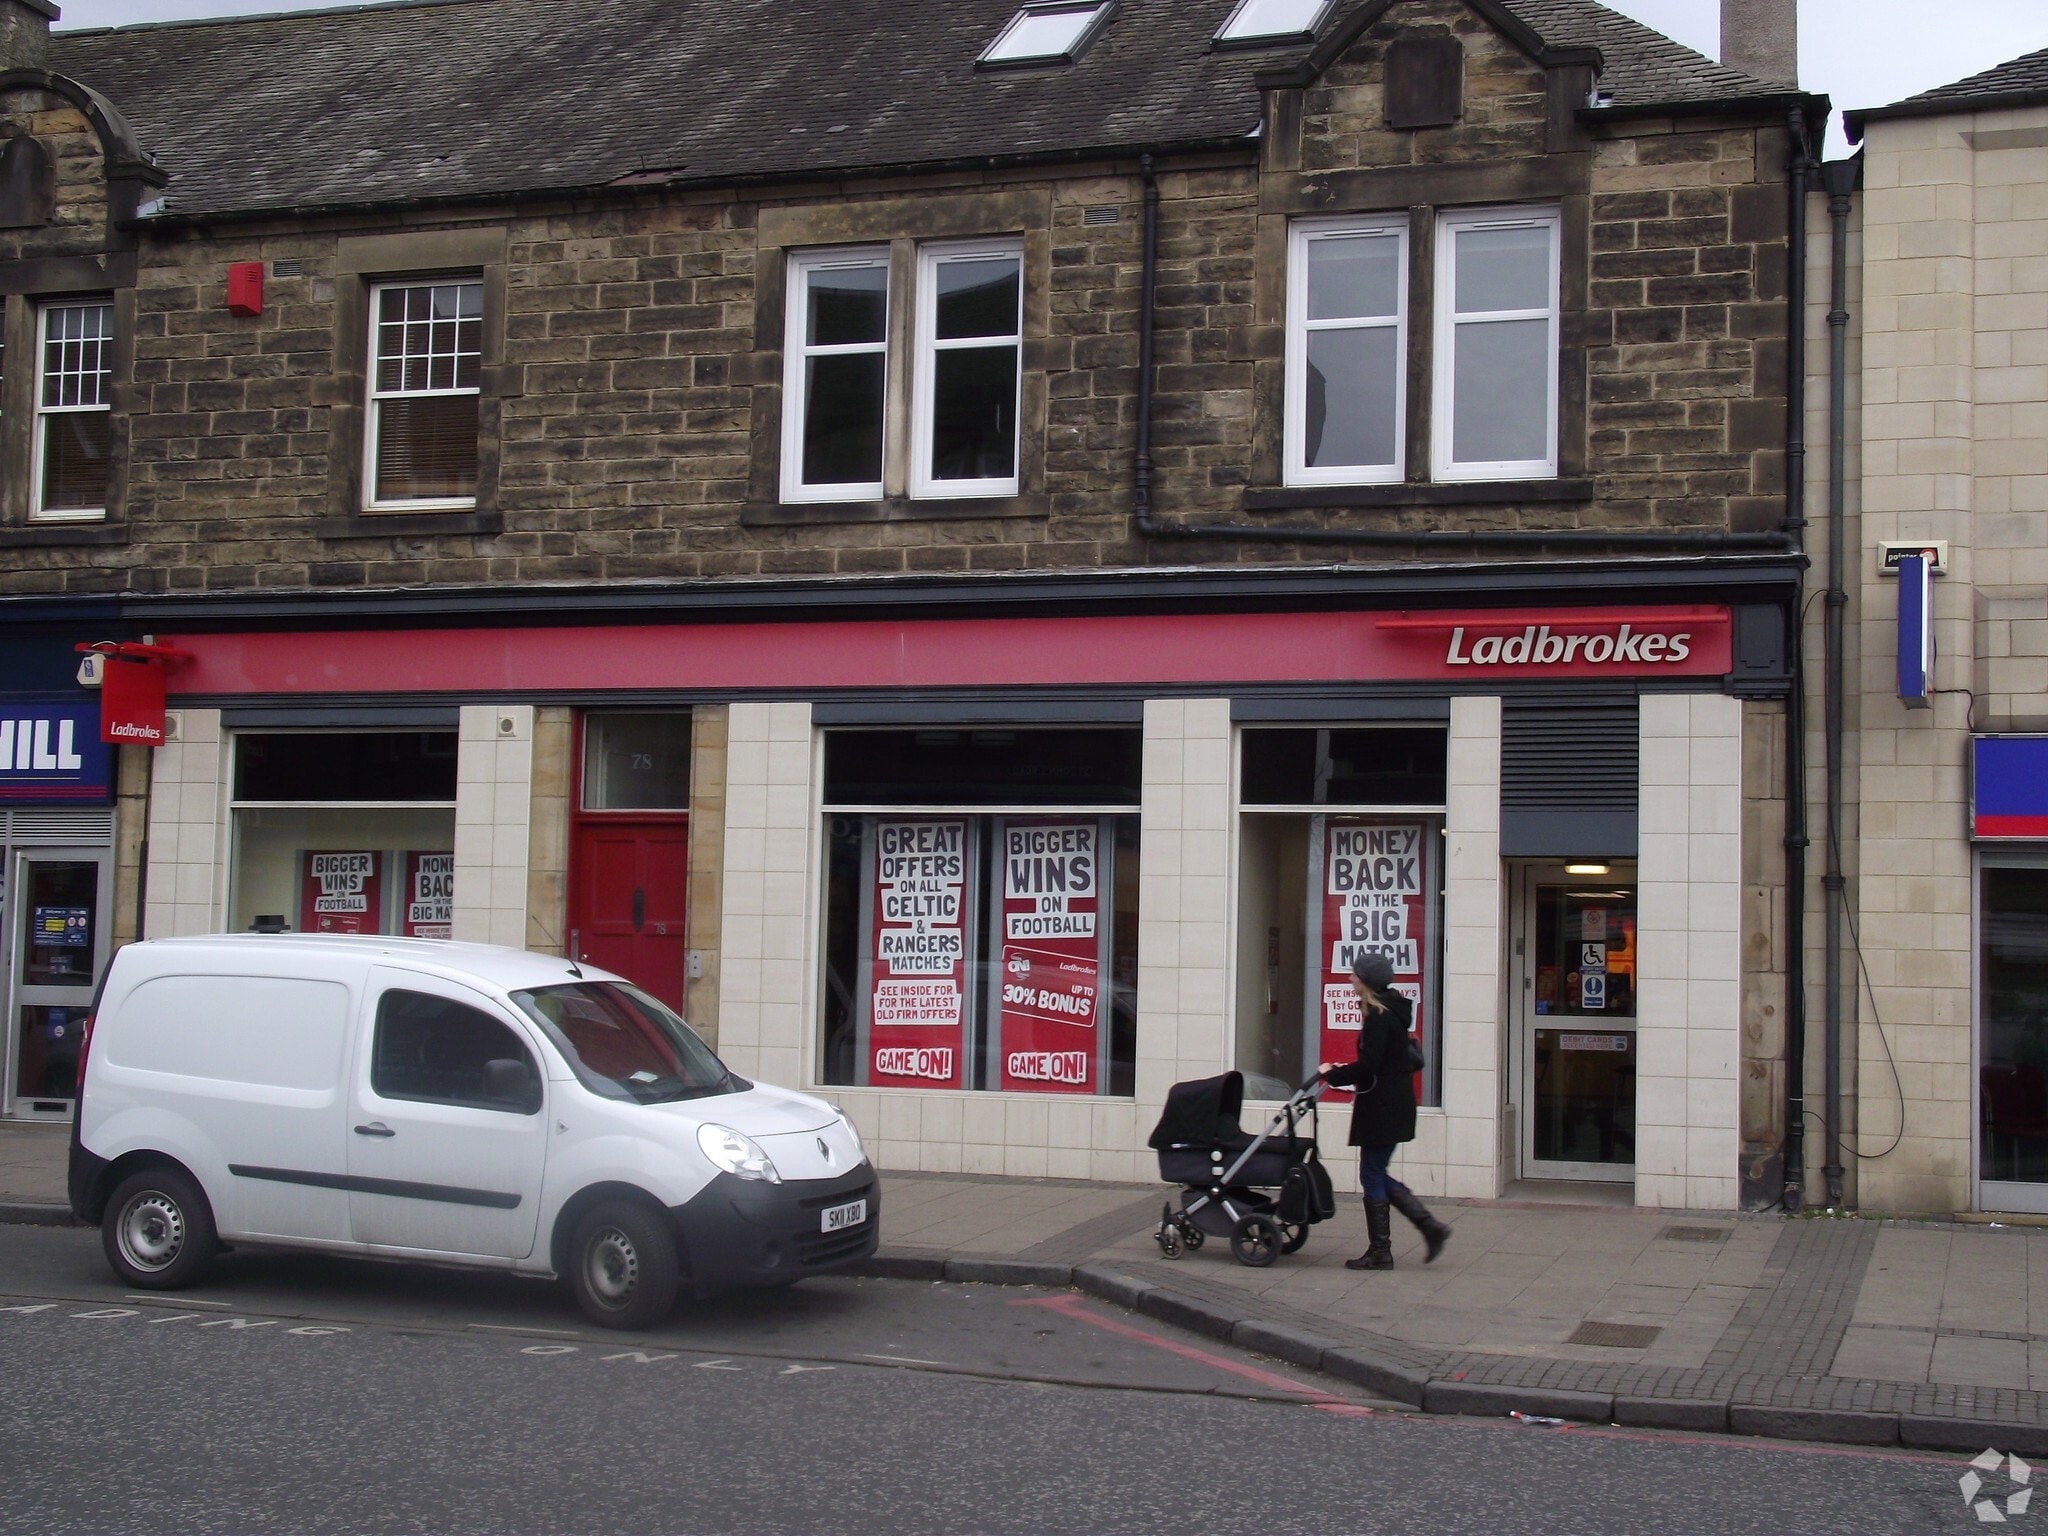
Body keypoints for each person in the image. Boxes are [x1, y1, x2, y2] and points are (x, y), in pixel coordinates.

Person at [1320, 952, 1451, 1271]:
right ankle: (1427, 1227)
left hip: (1383, 1106)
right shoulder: (1393, 1009)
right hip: (1393, 1102)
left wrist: (1332, 1074)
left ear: (1366, 981)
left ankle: (1383, 1250)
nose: (1350, 979)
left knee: (1371, 1172)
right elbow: (1380, 1061)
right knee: (1375, 1170)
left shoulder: (1379, 1015)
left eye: (1354, 974)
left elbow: (1370, 1066)